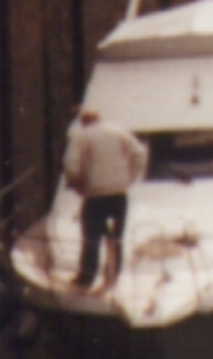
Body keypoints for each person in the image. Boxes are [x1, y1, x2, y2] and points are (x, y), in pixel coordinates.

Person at [62, 105, 150, 290]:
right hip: (119, 194)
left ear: (83, 120)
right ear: (98, 117)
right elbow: (140, 153)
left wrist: (76, 182)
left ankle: (87, 277)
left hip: (95, 195)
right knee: (116, 237)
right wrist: (130, 177)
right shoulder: (118, 132)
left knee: (91, 236)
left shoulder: (81, 136)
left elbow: (70, 164)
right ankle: (113, 277)